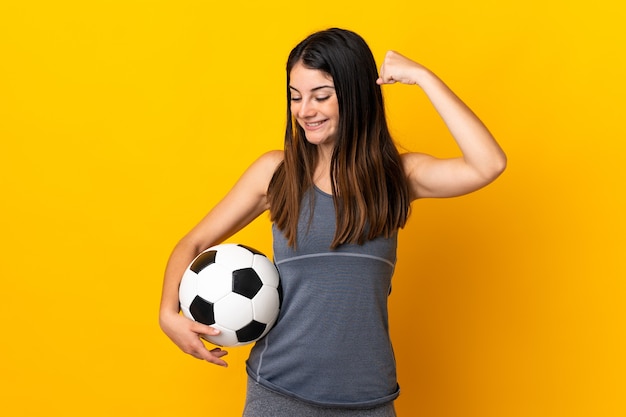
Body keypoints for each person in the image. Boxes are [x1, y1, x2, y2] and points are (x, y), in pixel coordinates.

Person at [159, 28, 506, 416]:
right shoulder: (276, 173)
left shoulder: (397, 177)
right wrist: (167, 315)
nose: (305, 109)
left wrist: (424, 78)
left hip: (369, 400)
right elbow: (193, 243)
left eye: (321, 95)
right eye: (295, 96)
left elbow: (488, 163)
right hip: (278, 393)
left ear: (356, 95)